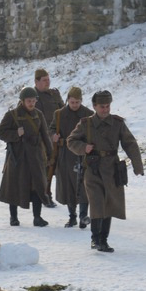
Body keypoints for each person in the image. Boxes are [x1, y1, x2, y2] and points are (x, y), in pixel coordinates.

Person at [66, 90, 145, 252]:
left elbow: (130, 143)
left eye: (107, 106)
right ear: (95, 106)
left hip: (112, 168)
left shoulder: (117, 123)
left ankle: (104, 240)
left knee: (109, 204)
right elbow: (71, 141)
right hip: (93, 169)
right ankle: (95, 239)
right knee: (97, 202)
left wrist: (137, 166)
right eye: (102, 106)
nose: (105, 109)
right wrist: (84, 147)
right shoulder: (86, 124)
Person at [0, 87, 54, 227]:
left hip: (35, 156)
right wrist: (16, 134)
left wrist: (50, 153)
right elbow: (1, 133)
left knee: (37, 186)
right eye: (29, 101)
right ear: (22, 101)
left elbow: (45, 134)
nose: (32, 103)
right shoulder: (12, 115)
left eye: (34, 101)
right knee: (14, 186)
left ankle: (37, 218)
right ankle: (13, 217)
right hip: (18, 157)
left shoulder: (38, 114)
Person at [52, 87, 93, 227]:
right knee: (68, 185)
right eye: (72, 102)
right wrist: (53, 136)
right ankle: (72, 216)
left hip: (83, 153)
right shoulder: (59, 114)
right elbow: (51, 129)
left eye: (77, 102)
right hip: (65, 154)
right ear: (67, 100)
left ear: (81, 100)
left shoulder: (88, 114)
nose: (75, 105)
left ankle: (83, 216)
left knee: (84, 185)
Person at [33, 68, 63, 208]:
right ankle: (45, 196)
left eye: (48, 79)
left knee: (56, 167)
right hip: (39, 139)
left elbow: (64, 111)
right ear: (36, 81)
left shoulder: (54, 95)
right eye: (44, 80)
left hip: (55, 138)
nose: (47, 82)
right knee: (44, 169)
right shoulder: (30, 96)